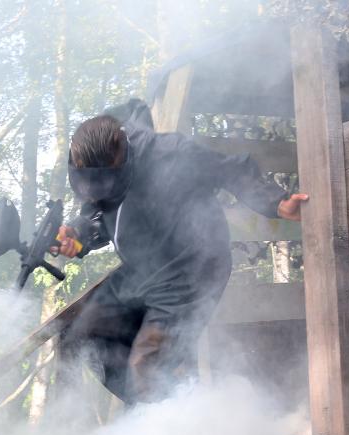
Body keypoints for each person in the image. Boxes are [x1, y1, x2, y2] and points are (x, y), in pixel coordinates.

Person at [54, 102, 308, 405]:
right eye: (87, 183)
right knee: (78, 332)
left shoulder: (171, 153)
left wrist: (277, 203)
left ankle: (177, 421)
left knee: (146, 367)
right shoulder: (98, 179)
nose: (96, 190)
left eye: (104, 182)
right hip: (144, 271)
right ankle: (160, 413)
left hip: (193, 270)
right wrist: (78, 235)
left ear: (123, 160)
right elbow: (97, 214)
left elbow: (232, 170)